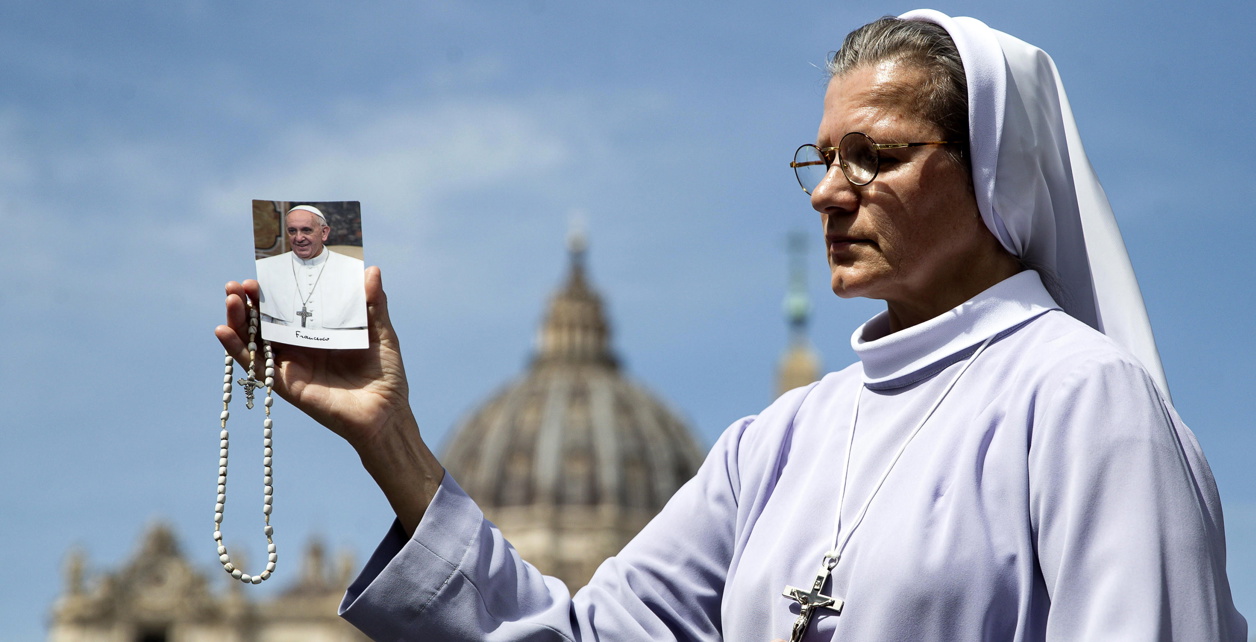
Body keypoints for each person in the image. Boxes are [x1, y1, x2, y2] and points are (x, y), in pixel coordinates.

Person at [216, 10, 1246, 641]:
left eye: (874, 157)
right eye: (821, 160)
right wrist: (388, 440)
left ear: (994, 173)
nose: (827, 193)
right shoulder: (778, 442)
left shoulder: (1082, 400)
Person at [255, 205, 367, 331]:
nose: (298, 238)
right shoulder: (265, 268)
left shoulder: (355, 270)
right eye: (292, 231)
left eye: (306, 230)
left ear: (324, 233)